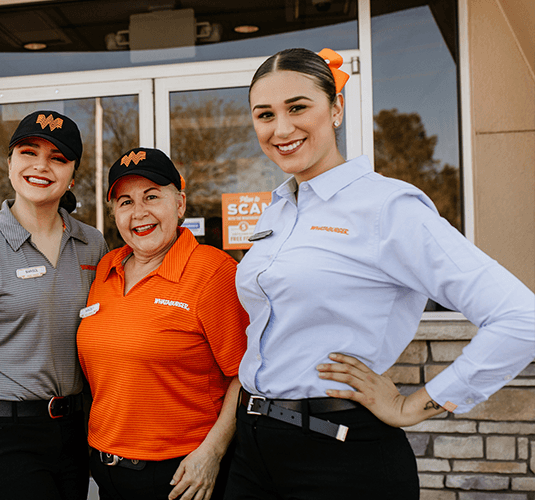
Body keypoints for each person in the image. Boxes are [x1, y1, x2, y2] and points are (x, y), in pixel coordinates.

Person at [228, 47, 535, 499]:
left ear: (336, 109)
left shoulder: (387, 207)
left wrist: (414, 404)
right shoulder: (276, 212)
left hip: (339, 454)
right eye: (265, 114)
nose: (282, 128)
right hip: (253, 446)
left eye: (298, 108)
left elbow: (520, 318)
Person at [0, 110, 108, 500]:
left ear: (73, 174)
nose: (41, 166)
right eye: (29, 152)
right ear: (10, 163)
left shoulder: (93, 244)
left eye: (58, 158)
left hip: (72, 432)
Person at [77, 147, 250, 500]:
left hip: (181, 475)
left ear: (180, 204)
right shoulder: (105, 270)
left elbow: (245, 374)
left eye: (151, 197)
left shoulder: (213, 272)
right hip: (106, 471)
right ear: (114, 214)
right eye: (125, 202)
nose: (139, 213)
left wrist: (213, 452)